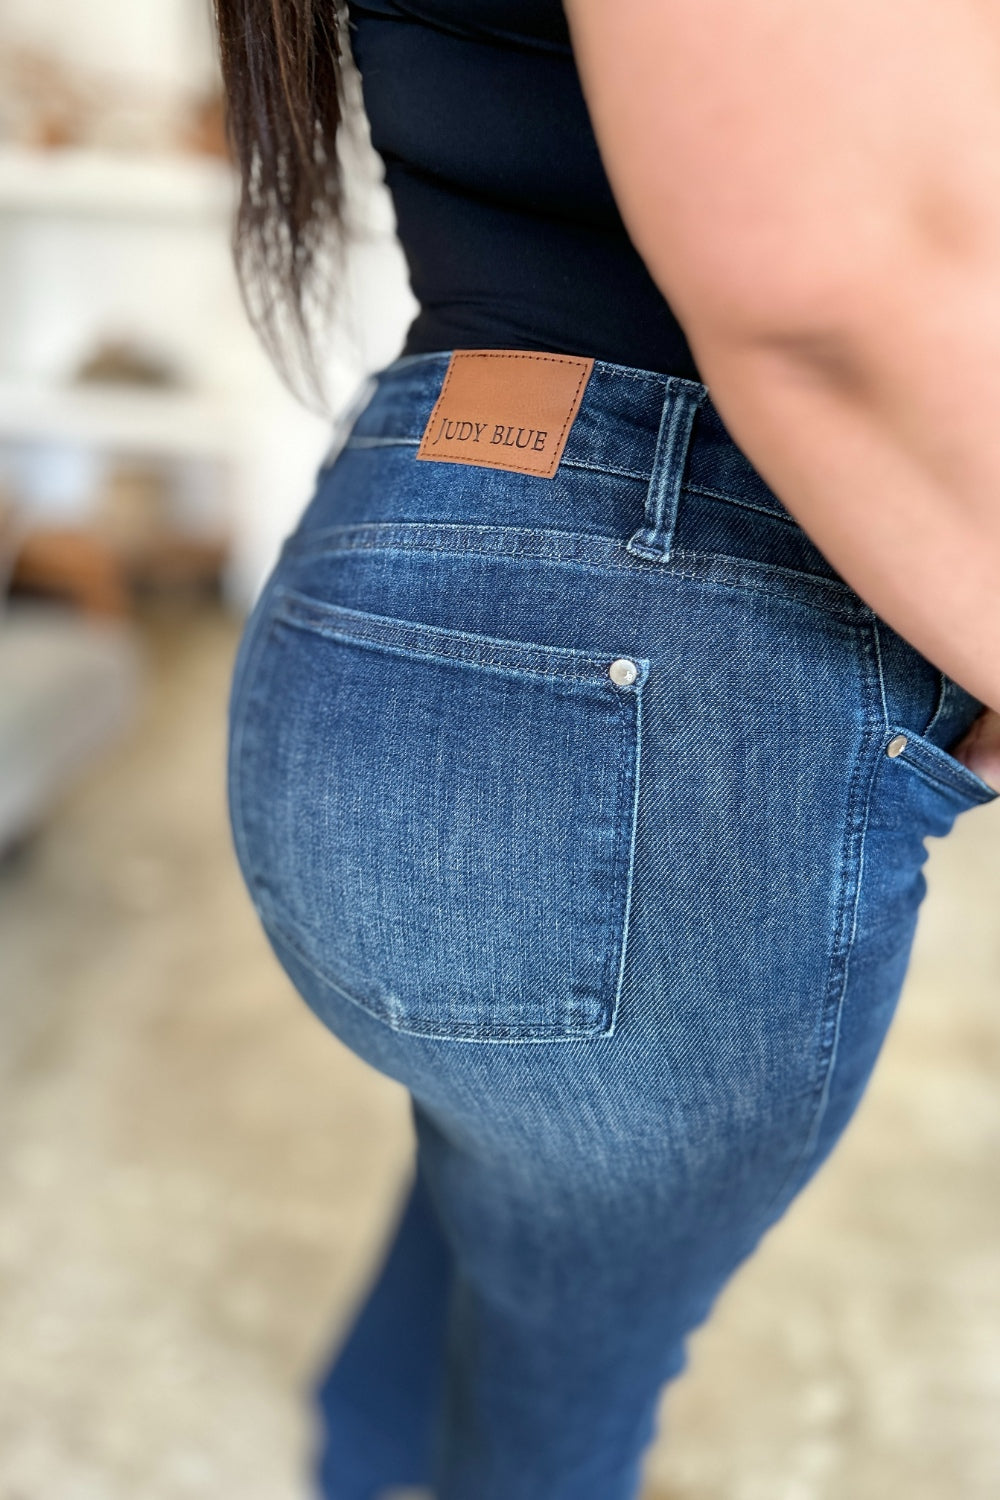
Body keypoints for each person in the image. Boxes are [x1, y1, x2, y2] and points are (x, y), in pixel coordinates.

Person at [214, 1, 1000, 1495]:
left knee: (511, 1169)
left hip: (387, 568)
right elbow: (822, 286)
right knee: (569, 1373)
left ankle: (362, 1447)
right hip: (631, 655)